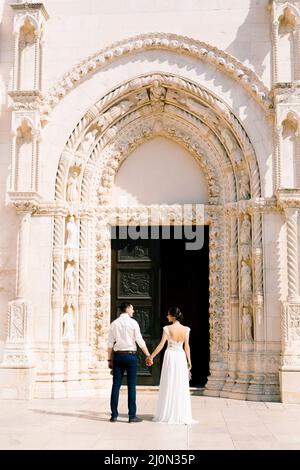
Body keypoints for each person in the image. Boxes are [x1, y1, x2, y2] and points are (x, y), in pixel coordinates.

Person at [146, 307, 197, 425]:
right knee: (179, 384)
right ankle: (180, 414)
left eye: (168, 315)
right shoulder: (186, 329)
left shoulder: (167, 328)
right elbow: (187, 347)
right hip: (180, 357)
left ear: (173, 316)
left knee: (169, 383)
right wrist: (189, 361)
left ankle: (168, 413)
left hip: (170, 356)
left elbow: (161, 345)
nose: (167, 317)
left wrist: (151, 356)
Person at [107, 302, 152, 423]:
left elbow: (110, 344)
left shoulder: (114, 324)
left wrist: (109, 359)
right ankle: (132, 416)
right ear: (127, 309)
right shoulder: (133, 323)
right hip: (130, 356)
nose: (134, 310)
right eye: (132, 308)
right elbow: (140, 341)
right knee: (131, 386)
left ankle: (114, 416)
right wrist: (148, 355)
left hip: (118, 356)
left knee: (116, 385)